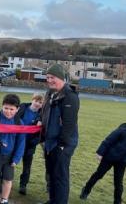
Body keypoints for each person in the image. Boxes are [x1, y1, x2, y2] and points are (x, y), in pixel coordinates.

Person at [41, 63, 79, 204]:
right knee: (51, 174)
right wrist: (40, 121)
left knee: (60, 176)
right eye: (47, 77)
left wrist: (62, 145)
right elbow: (45, 111)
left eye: (52, 77)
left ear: (61, 78)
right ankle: (53, 200)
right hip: (50, 142)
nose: (49, 80)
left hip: (63, 143)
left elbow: (69, 124)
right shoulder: (50, 92)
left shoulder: (70, 96)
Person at [80, 122, 126, 204]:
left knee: (118, 183)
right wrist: (100, 153)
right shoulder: (124, 130)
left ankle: (117, 201)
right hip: (109, 157)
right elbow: (108, 140)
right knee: (98, 175)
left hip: (122, 162)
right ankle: (85, 190)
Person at [0, 94, 25, 204]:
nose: (8, 111)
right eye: (6, 108)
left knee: (7, 179)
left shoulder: (19, 122)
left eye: (11, 109)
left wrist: (16, 158)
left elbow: (21, 142)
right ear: (2, 106)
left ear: (17, 109)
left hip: (10, 156)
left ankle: (4, 200)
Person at [18, 93, 44, 195]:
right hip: (17, 141)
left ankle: (23, 185)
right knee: (10, 162)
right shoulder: (23, 108)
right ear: (32, 100)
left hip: (30, 144)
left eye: (40, 102)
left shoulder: (42, 115)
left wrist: (34, 142)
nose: (37, 104)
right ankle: (3, 181)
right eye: (36, 101)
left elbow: (41, 132)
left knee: (27, 166)